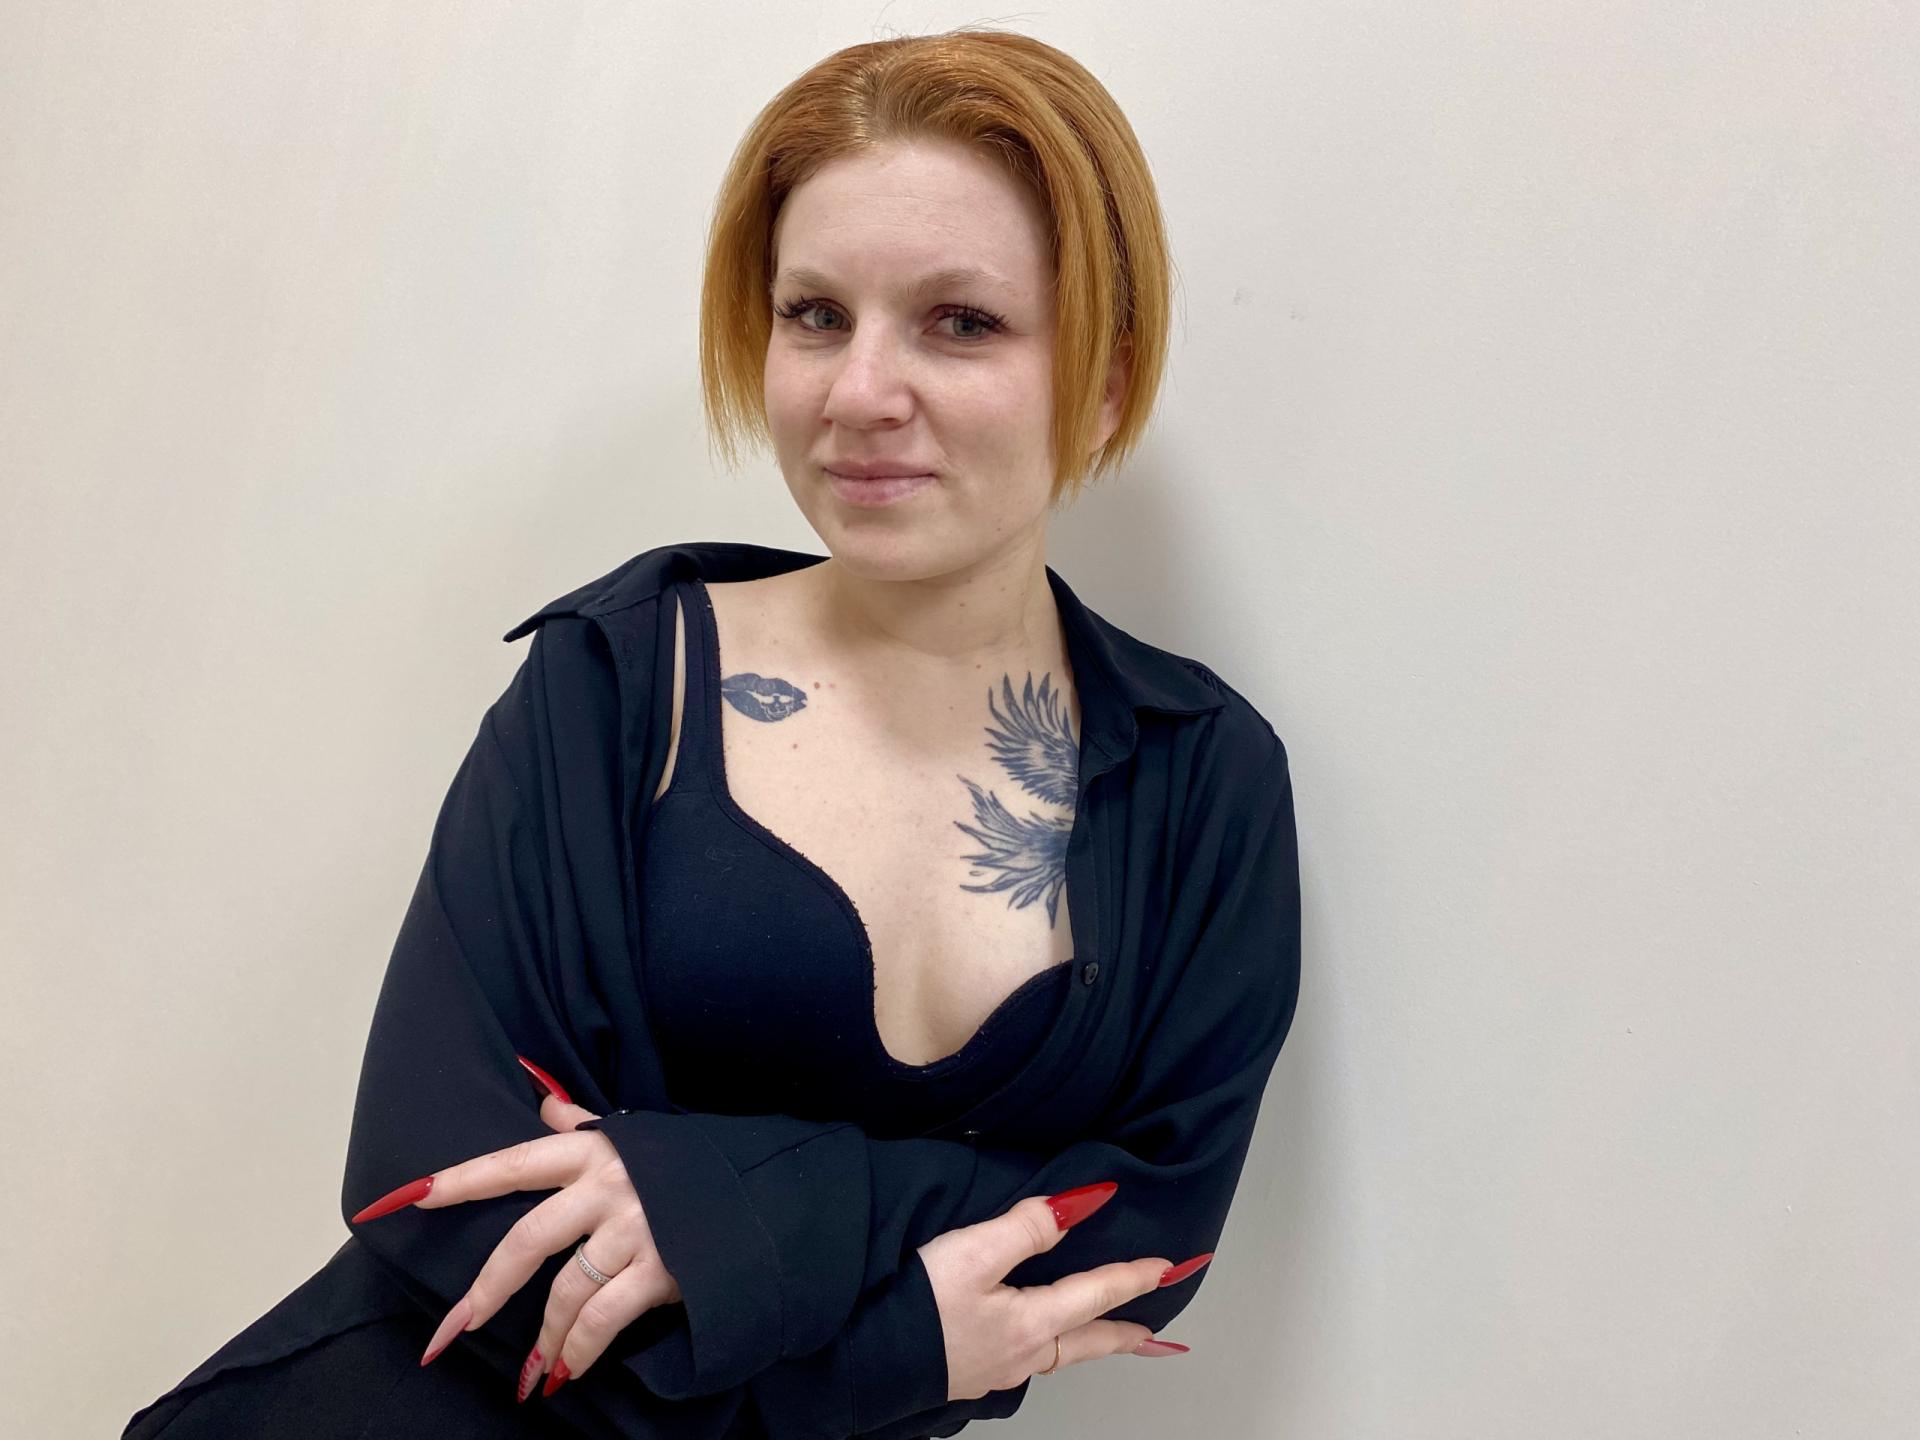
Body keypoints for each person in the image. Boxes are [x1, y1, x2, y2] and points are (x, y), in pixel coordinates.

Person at [124, 25, 1301, 1440]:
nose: (858, 393)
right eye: (816, 315)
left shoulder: (1201, 779)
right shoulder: (620, 685)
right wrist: (892, 1352)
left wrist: (713, 1198)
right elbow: (436, 1184)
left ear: (1104, 378)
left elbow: (1141, 1237)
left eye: (960, 322)